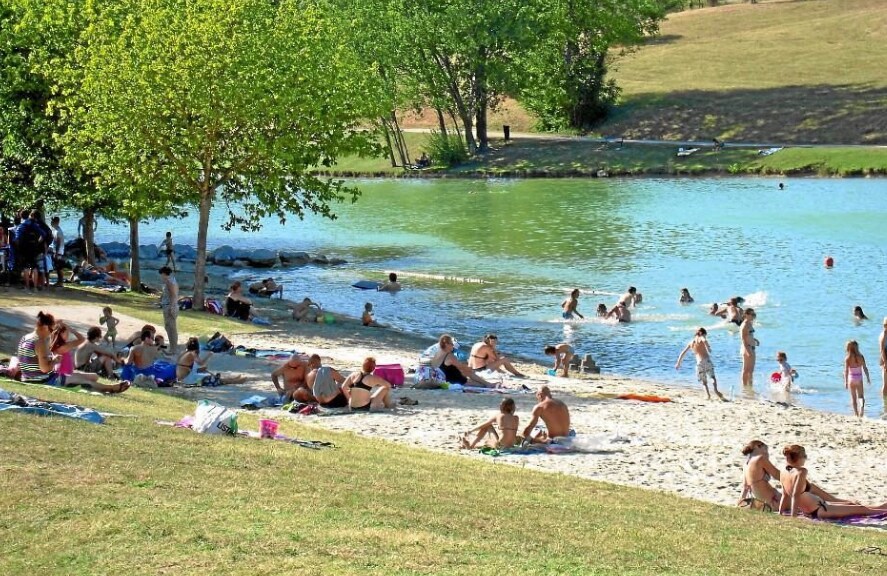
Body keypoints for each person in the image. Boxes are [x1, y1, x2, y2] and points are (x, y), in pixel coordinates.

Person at [779, 445, 887, 520]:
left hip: (817, 508)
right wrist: (793, 517)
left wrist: (780, 513)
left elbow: (785, 495)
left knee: (851, 504)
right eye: (805, 456)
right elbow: (795, 495)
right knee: (861, 509)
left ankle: (881, 507)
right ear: (798, 458)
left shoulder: (784, 471)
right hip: (820, 510)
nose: (806, 459)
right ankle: (882, 510)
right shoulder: (801, 472)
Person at [51, 323, 128, 392]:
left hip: (70, 372)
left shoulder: (62, 345)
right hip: (65, 375)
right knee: (89, 381)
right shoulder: (63, 347)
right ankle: (111, 386)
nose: (68, 334)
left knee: (95, 376)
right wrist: (72, 330)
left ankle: (108, 380)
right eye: (66, 332)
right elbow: (81, 339)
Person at [675, 327, 723, 400]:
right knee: (712, 377)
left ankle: (708, 395)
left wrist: (678, 363)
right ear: (702, 334)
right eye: (705, 335)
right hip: (707, 361)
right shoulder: (701, 338)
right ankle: (716, 390)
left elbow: (683, 353)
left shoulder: (691, 342)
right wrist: (708, 348)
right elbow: (704, 340)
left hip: (699, 364)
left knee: (704, 382)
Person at [16, 311, 62, 385]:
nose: (51, 333)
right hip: (41, 380)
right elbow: (45, 369)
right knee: (80, 376)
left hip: (26, 377)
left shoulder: (25, 338)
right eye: (52, 329)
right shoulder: (40, 342)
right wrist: (55, 360)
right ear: (46, 327)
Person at [737, 440, 783, 512]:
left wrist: (740, 503)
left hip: (760, 504)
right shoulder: (760, 459)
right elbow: (777, 475)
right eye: (766, 450)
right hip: (774, 501)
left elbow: (745, 487)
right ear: (758, 446)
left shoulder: (746, 464)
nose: (766, 453)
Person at [14, 210, 46, 292]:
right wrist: (37, 242)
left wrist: (18, 248)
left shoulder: (22, 226)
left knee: (25, 267)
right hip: (34, 247)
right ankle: (35, 287)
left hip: (25, 248)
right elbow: (43, 234)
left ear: (21, 217)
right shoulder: (35, 225)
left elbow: (17, 239)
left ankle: (27, 287)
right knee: (34, 266)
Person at [843, 340, 870, 418]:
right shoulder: (861, 357)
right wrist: (868, 377)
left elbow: (846, 371)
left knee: (853, 398)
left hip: (851, 379)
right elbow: (865, 368)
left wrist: (845, 382)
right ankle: (861, 410)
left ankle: (856, 414)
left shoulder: (847, 358)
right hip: (859, 379)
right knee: (861, 396)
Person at [159, 266, 178, 354]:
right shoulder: (169, 281)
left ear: (164, 274)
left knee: (171, 328)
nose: (161, 276)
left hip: (169, 306)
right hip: (167, 305)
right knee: (168, 327)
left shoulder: (170, 282)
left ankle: (173, 349)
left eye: (161, 274)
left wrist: (172, 307)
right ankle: (172, 347)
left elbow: (173, 295)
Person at [740, 308, 758, 387]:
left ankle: (750, 386)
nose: (753, 316)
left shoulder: (749, 323)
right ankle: (744, 386)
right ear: (746, 315)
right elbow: (743, 339)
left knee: (751, 370)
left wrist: (755, 340)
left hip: (752, 347)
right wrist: (747, 351)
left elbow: (749, 335)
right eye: (752, 314)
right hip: (747, 348)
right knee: (746, 369)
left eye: (754, 314)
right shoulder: (744, 325)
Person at [49, 216, 65, 287]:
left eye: (52, 221)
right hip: (55, 250)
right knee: (57, 267)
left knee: (59, 267)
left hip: (59, 252)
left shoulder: (58, 231)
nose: (51, 222)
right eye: (51, 221)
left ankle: (60, 282)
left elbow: (58, 242)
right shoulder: (54, 230)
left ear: (56, 222)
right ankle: (59, 281)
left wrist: (56, 253)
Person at [880, 317, 887, 397]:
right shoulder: (883, 335)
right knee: (885, 383)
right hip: (885, 358)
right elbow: (881, 350)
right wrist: (885, 362)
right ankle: (884, 405)